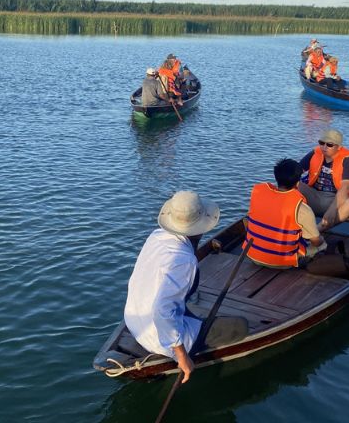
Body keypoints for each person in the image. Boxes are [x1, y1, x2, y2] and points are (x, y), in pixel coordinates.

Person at [124, 191, 249, 383]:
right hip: (158, 338)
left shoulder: (156, 236)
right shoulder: (184, 260)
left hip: (134, 322)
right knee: (240, 326)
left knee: (185, 310)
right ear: (200, 227)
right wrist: (181, 356)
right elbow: (161, 310)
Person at [244, 159, 326, 269]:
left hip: (252, 256)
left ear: (276, 177)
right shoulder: (302, 209)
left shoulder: (257, 194)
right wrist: (320, 239)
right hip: (282, 263)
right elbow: (316, 242)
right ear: (298, 182)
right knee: (322, 244)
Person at [298, 129, 349, 233]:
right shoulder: (315, 153)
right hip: (315, 195)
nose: (324, 147)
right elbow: (295, 171)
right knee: (294, 184)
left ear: (339, 147)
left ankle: (315, 232)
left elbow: (346, 188)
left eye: (329, 145)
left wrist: (332, 210)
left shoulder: (348, 160)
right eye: (322, 143)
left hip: (336, 200)